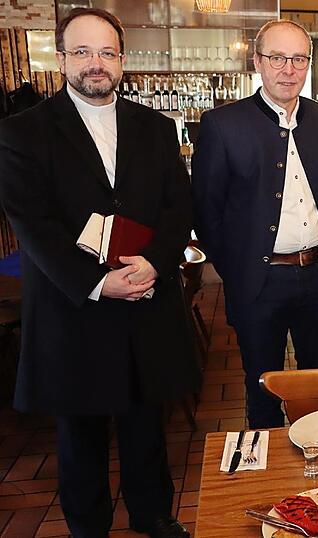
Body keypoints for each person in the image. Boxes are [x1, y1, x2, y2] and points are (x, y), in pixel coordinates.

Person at [0, 8, 196, 537]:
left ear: (122, 60)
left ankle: (153, 514)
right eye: (83, 52)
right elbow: (33, 224)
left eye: (107, 52)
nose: (96, 63)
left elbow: (180, 208)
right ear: (62, 59)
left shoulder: (155, 126)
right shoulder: (22, 132)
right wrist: (96, 282)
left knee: (146, 424)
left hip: (145, 299)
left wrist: (154, 262)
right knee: (80, 433)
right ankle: (89, 527)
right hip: (73, 309)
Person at [192, 19, 318, 429]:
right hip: (259, 282)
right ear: (257, 62)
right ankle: (269, 486)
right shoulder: (223, 124)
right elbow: (206, 212)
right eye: (277, 57)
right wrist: (239, 270)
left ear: (308, 65)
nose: (288, 69)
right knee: (263, 387)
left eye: (299, 59)